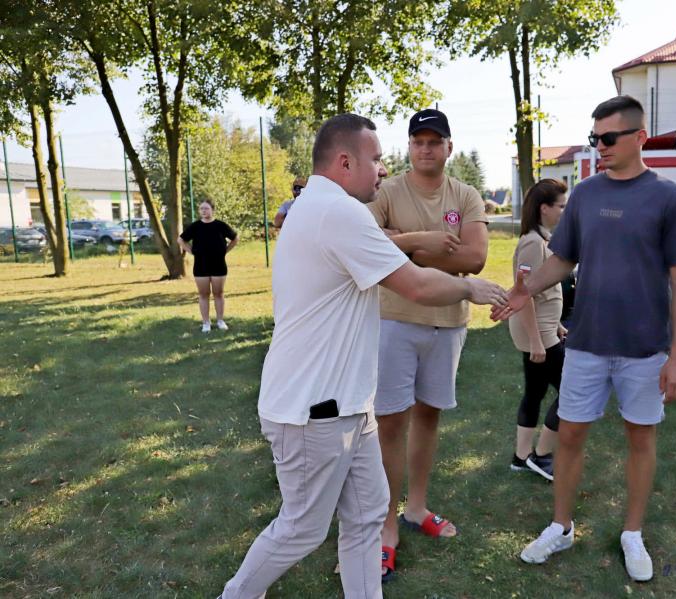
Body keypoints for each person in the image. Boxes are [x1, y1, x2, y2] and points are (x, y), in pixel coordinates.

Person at [218, 113, 507, 599]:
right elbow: (415, 285)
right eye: (375, 159)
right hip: (313, 411)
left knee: (369, 516)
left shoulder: (319, 207)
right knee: (302, 529)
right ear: (345, 162)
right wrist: (470, 288)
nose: (383, 168)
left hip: (350, 405)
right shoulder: (337, 212)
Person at [492, 95, 676, 582]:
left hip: (644, 349)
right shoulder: (586, 195)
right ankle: (561, 527)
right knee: (568, 436)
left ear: (639, 137)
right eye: (595, 138)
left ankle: (633, 533)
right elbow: (562, 259)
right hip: (586, 343)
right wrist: (526, 290)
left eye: (608, 137)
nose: (600, 146)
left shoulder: (668, 197)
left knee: (640, 439)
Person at [366, 108, 489, 577]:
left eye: (435, 141)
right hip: (394, 320)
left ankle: (415, 508)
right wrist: (428, 241)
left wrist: (404, 245)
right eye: (418, 141)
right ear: (409, 146)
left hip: (449, 323)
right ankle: (385, 526)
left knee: (428, 416)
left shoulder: (465, 195)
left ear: (448, 147)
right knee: (390, 423)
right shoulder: (386, 191)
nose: (425, 149)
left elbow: (475, 258)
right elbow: (369, 243)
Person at [508, 178, 568, 481]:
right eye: (561, 206)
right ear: (544, 208)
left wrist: (556, 324)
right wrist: (536, 341)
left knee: (535, 391)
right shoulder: (533, 242)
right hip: (535, 331)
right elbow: (525, 294)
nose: (564, 212)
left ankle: (520, 458)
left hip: (545, 328)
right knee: (572, 390)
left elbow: (545, 290)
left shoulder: (543, 239)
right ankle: (541, 456)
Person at [177, 200, 238, 333]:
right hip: (201, 266)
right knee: (204, 294)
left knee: (218, 293)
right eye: (201, 209)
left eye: (206, 208)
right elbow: (180, 240)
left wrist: (225, 250)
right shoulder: (195, 226)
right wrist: (191, 251)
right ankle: (206, 322)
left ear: (212, 210)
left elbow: (235, 238)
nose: (204, 211)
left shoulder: (220, 225)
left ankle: (220, 321)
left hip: (218, 265)